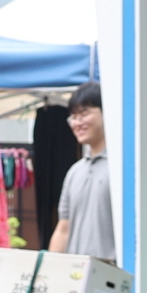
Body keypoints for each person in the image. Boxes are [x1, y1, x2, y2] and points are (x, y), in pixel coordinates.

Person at [47, 83, 116, 267]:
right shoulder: (75, 171)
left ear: (107, 111)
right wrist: (50, 270)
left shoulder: (120, 168)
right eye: (73, 117)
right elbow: (63, 228)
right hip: (75, 273)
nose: (77, 123)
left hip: (113, 275)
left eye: (84, 114)